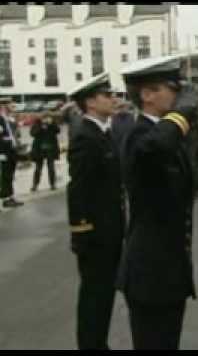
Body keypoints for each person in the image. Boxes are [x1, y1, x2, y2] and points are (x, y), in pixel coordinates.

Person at [116, 55, 198, 350]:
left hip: (169, 268)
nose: (179, 97)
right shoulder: (137, 134)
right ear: (147, 95)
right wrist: (181, 115)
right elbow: (153, 149)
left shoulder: (165, 134)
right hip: (150, 271)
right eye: (171, 89)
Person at [66, 73, 125, 350]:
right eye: (106, 95)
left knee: (103, 294)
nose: (113, 99)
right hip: (96, 234)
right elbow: (78, 189)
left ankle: (97, 343)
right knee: (95, 295)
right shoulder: (85, 137)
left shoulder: (103, 132)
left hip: (110, 229)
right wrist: (81, 230)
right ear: (90, 102)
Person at [0, 97, 24, 208]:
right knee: (5, 176)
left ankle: (10, 196)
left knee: (10, 175)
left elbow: (13, 134)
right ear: (3, 106)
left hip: (12, 150)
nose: (13, 107)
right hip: (4, 151)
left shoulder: (8, 119)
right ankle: (6, 199)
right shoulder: (0, 119)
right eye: (11, 105)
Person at [30, 111, 61, 192]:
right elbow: (32, 133)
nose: (46, 119)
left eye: (47, 117)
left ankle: (52, 184)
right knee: (38, 168)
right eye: (44, 117)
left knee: (51, 167)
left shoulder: (52, 123)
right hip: (39, 149)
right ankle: (35, 185)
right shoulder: (37, 123)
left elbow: (58, 131)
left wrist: (51, 124)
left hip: (50, 148)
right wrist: (41, 127)